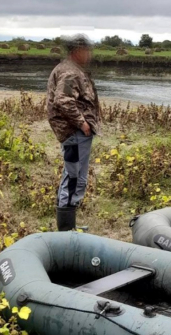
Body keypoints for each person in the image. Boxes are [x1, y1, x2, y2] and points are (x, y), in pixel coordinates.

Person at [47, 34, 101, 231]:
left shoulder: (70, 69)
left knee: (74, 176)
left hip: (75, 133)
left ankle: (69, 226)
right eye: (86, 50)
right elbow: (62, 101)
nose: (89, 54)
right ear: (77, 51)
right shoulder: (70, 72)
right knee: (74, 178)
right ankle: (66, 231)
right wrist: (82, 123)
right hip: (74, 133)